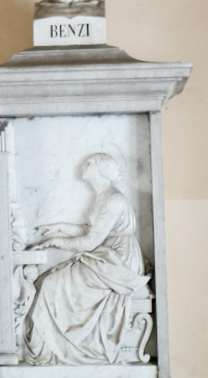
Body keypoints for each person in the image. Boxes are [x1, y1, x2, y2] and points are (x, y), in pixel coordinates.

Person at [22, 152, 149, 365]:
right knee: (47, 279)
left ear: (102, 170)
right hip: (108, 255)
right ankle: (51, 344)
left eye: (89, 164)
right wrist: (58, 228)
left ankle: (58, 347)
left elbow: (90, 242)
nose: (84, 167)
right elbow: (91, 230)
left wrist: (55, 241)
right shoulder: (104, 196)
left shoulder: (113, 199)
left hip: (119, 262)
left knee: (52, 284)